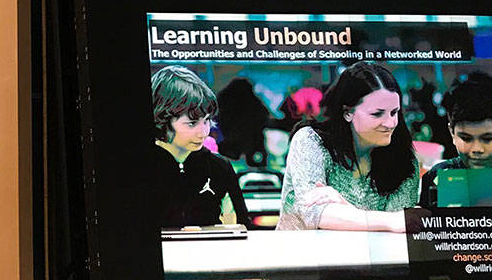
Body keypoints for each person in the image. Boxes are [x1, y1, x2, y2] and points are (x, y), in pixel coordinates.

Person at [276, 62, 419, 232]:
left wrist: (344, 206)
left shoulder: (404, 160)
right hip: (301, 248)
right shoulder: (311, 140)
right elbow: (314, 214)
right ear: (348, 113)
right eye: (377, 114)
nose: (390, 123)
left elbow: (399, 227)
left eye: (394, 112)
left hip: (375, 250)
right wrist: (390, 221)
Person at [149, 66, 251, 230]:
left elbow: (242, 227)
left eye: (207, 120)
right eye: (192, 123)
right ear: (162, 119)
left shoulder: (220, 167)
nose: (204, 132)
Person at [421, 71, 492, 208]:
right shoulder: (438, 175)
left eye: (488, 139)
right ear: (452, 133)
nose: (477, 149)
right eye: (466, 139)